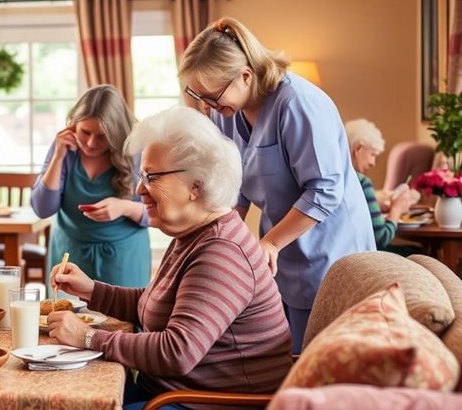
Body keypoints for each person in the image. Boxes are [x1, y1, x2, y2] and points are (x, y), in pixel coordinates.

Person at [47, 106, 293, 410]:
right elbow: (154, 304)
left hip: (206, 403)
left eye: (152, 177)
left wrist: (87, 337)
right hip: (174, 393)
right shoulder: (194, 233)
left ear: (196, 186)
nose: (139, 189)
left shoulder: (221, 252)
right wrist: (91, 290)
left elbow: (177, 351)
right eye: (141, 176)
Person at [178, 16, 375, 353]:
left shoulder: (297, 103)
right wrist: (217, 241)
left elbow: (324, 190)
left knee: (317, 364)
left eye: (214, 96)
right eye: (202, 98)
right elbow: (234, 188)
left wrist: (267, 245)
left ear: (245, 75)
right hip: (285, 255)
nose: (210, 107)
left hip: (332, 251)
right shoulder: (227, 113)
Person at [31, 84, 150, 288]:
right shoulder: (65, 148)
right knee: (63, 316)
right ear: (73, 125)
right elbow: (42, 209)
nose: (91, 143)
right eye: (85, 132)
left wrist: (123, 207)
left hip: (124, 258)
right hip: (69, 254)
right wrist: (59, 157)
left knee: (122, 319)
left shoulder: (138, 149)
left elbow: (160, 213)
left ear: (117, 133)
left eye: (103, 136)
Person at [344, 118, 419, 256]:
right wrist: (397, 209)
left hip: (343, 253)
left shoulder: (338, 179)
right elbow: (383, 237)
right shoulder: (362, 182)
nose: (373, 163)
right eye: (372, 154)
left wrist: (376, 205)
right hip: (364, 255)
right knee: (418, 252)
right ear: (358, 148)